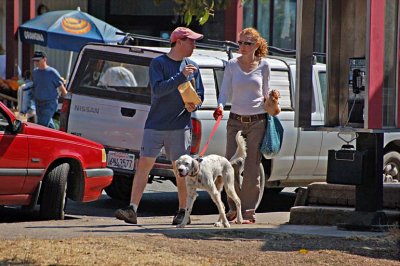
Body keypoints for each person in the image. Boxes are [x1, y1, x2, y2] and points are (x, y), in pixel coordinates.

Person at [114, 27, 204, 225]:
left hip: (180, 127)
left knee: (179, 168)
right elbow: (158, 89)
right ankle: (132, 210)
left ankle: (183, 211)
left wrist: (195, 103)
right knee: (144, 165)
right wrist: (181, 77)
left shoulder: (194, 66)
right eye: (191, 41)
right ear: (179, 42)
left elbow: (200, 96)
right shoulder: (159, 63)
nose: (194, 45)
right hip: (155, 124)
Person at [213, 27, 279, 224]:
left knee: (251, 168)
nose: (242, 46)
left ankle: (249, 211)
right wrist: (219, 107)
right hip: (235, 121)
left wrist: (273, 101)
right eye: (240, 42)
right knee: (230, 165)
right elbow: (224, 91)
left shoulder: (264, 65)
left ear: (256, 45)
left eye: (247, 43)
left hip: (257, 121)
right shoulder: (232, 65)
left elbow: (266, 92)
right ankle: (234, 208)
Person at [31, 51, 67, 128]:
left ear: (45, 59)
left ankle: (39, 140)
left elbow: (62, 88)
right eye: (35, 60)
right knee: (48, 125)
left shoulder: (52, 72)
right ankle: (55, 137)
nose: (36, 62)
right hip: (38, 103)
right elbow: (35, 86)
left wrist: (67, 101)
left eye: (38, 60)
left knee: (41, 126)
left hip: (49, 103)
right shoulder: (35, 72)